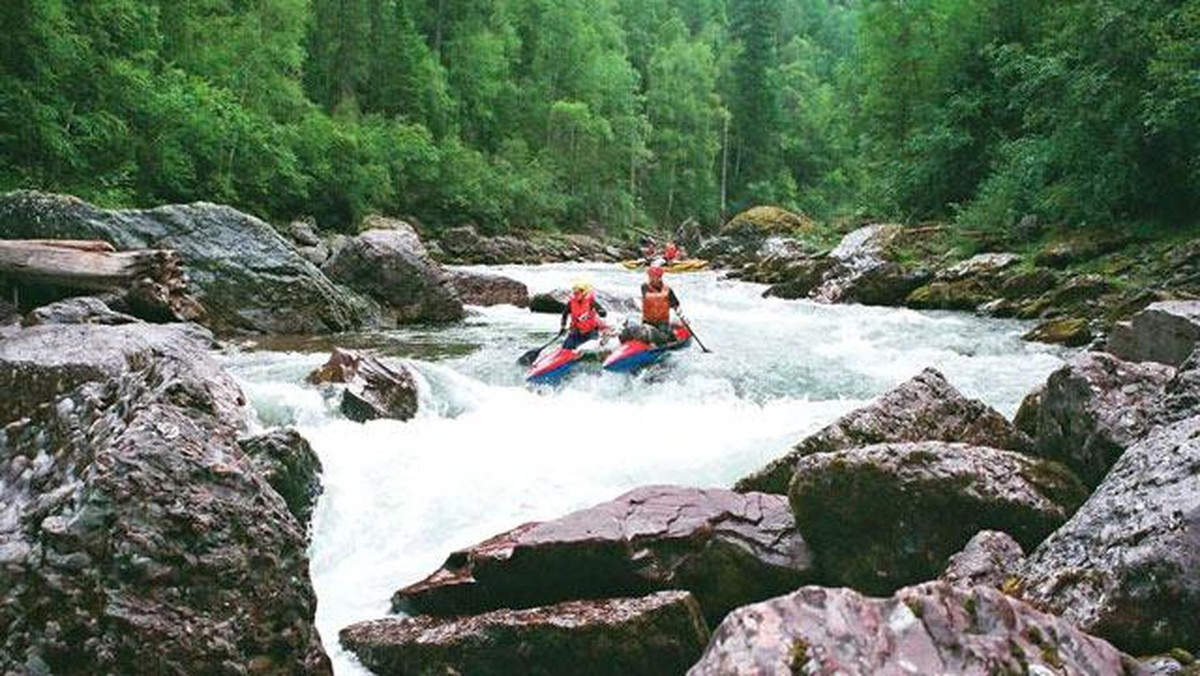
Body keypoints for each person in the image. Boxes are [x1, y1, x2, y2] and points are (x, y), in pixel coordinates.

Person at [640, 262, 682, 345]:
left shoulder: (667, 290)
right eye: (650, 276)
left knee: (664, 336)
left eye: (654, 276)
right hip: (647, 321)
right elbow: (649, 297)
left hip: (662, 322)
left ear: (660, 277)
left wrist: (676, 309)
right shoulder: (644, 286)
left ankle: (670, 336)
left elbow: (675, 303)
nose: (651, 279)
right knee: (644, 335)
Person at [560, 280, 607, 349]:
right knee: (565, 347)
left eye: (578, 292)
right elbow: (564, 314)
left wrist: (601, 312)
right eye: (575, 292)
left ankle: (600, 342)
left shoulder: (591, 302)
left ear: (584, 292)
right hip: (576, 332)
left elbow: (604, 313)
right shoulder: (571, 303)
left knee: (588, 347)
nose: (576, 294)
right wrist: (563, 327)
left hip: (591, 332)